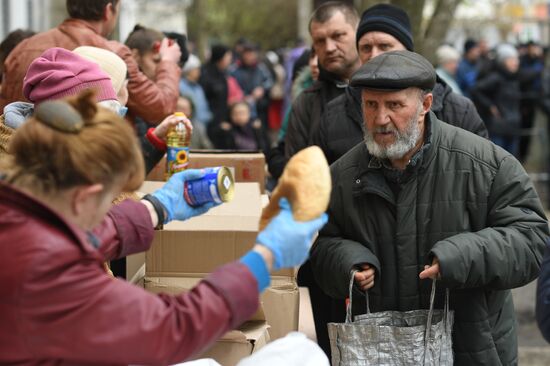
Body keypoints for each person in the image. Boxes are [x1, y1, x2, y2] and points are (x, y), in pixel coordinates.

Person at [0, 89, 328, 365]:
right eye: (109, 200)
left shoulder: (20, 211)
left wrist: (156, 208)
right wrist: (265, 257)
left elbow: (75, 240)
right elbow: (175, 326)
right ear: (83, 198)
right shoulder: (54, 276)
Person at [309, 50, 548, 365]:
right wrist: (347, 263)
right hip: (381, 352)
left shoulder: (486, 164)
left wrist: (462, 256)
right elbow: (319, 246)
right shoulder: (340, 176)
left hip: (471, 349)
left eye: (394, 105)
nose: (380, 119)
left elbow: (530, 241)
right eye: (371, 105)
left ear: (425, 105)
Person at [316, 3, 488, 165]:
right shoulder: (334, 114)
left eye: (384, 46)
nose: (374, 56)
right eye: (366, 48)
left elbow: (483, 175)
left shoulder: (458, 110)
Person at [0, 0, 181, 125]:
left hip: (15, 160)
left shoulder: (22, 48)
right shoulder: (114, 55)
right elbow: (159, 108)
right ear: (108, 10)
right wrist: (168, 63)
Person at [0, 47, 174, 175]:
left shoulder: (59, 151)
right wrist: (156, 208)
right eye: (123, 87)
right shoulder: (43, 166)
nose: (126, 98)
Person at [284, 1, 360, 159]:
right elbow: (298, 169)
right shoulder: (307, 102)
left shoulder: (384, 90)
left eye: (337, 36)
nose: (329, 48)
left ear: (358, 32)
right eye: (320, 41)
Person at [471, 44, 521, 157]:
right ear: (503, 61)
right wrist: (490, 106)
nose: (516, 62)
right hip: (499, 128)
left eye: (516, 59)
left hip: (514, 127)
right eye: (511, 59)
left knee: (512, 163)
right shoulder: (496, 78)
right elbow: (476, 90)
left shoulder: (513, 78)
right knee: (499, 161)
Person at [180, 54, 213, 126]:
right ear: (189, 70)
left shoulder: (198, 87)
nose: (199, 72)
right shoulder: (180, 86)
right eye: (196, 69)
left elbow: (204, 106)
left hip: (203, 125)